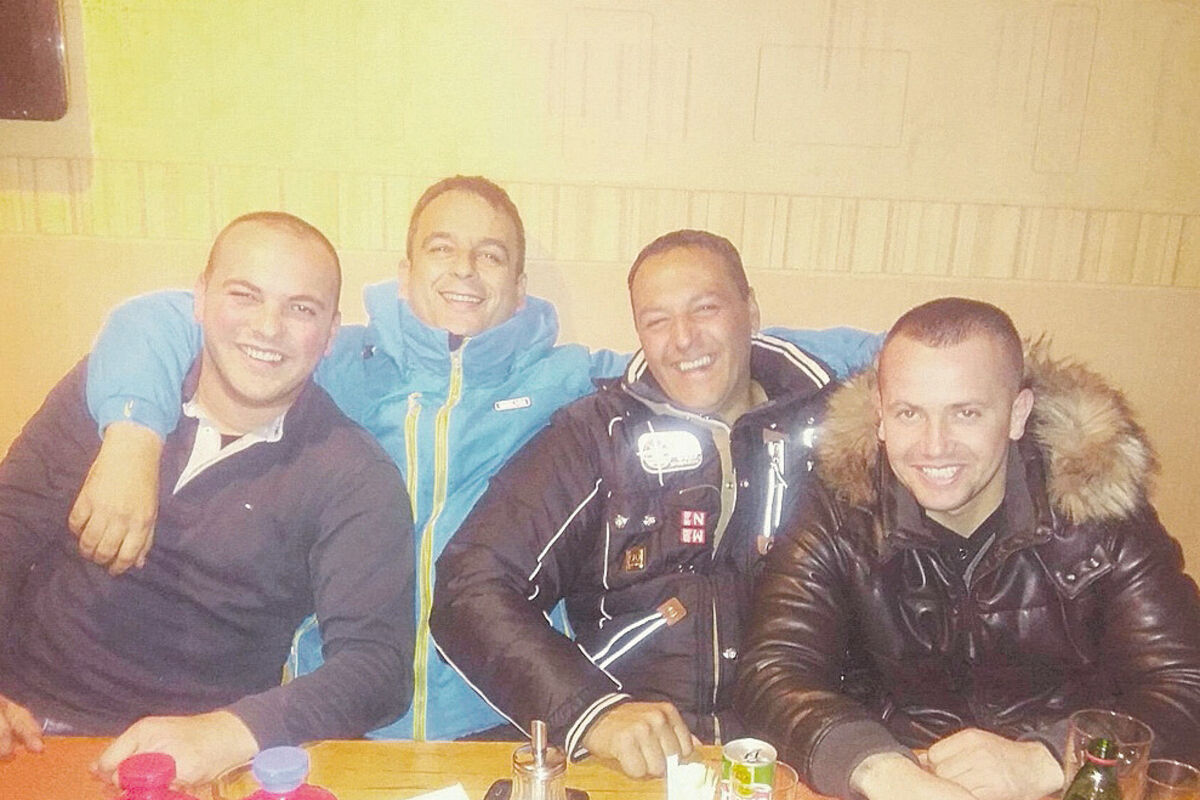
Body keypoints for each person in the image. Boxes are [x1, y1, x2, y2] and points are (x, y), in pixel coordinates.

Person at [68, 177, 880, 741]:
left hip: (505, 718)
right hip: (335, 708)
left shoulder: (568, 378)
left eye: (490, 254)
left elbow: (711, 352)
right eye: (442, 248)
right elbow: (168, 316)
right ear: (406, 271)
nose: (463, 268)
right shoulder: (336, 359)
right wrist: (132, 435)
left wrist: (927, 371)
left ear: (519, 286)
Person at [0, 212, 414, 785]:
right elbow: (10, 524)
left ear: (330, 335)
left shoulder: (354, 474)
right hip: (24, 730)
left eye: (300, 308)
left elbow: (379, 668)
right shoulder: (114, 396)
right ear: (199, 299)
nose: (268, 328)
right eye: (244, 295)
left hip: (191, 764)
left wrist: (230, 732)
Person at [734, 297, 1200, 800]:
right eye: (909, 413)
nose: (934, 446)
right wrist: (879, 768)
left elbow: (1185, 683)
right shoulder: (840, 509)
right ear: (880, 417)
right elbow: (772, 670)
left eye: (966, 413)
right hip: (899, 775)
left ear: (1018, 414)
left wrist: (1047, 757)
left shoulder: (1097, 510)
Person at [430, 229, 839, 779]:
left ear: (750, 311)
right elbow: (469, 586)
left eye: (705, 308)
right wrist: (593, 714)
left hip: (800, 757)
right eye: (657, 320)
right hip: (625, 764)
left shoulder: (841, 432)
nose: (684, 339)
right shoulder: (597, 437)